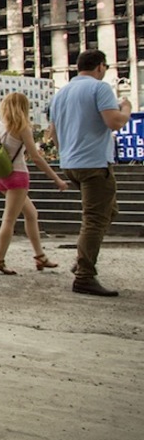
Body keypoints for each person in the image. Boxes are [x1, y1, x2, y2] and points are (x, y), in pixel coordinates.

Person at [49, 49, 132, 296]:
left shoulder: (61, 94)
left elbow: (53, 133)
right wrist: (126, 107)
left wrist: (67, 152)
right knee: (95, 219)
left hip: (71, 163)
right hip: (94, 164)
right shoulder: (100, 88)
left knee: (109, 211)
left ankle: (84, 256)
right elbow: (114, 122)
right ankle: (85, 274)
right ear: (99, 67)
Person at [0, 92, 68, 275]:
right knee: (9, 220)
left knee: (31, 214)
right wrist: (57, 179)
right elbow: (36, 157)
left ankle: (40, 256)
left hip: (1, 178)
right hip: (18, 177)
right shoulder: (22, 127)